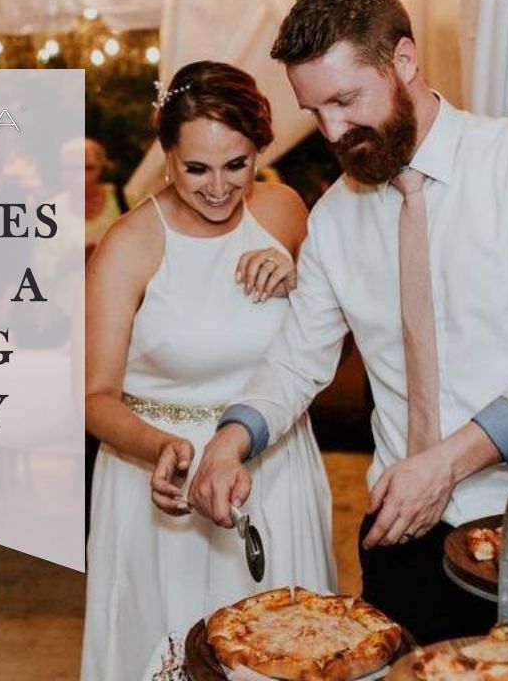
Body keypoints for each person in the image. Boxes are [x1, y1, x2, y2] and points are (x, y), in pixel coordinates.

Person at [158, 0, 508, 644]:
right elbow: (294, 363)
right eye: (314, 111)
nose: (333, 131)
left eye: (345, 100)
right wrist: (228, 445)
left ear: (403, 60)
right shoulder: (335, 217)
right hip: (400, 532)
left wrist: (448, 463)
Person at [82, 60, 336, 680]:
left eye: (236, 164)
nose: (219, 187)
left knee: (292, 650)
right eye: (197, 168)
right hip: (164, 477)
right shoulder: (129, 243)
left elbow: (334, 341)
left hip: (274, 468)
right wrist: (162, 448)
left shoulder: (284, 213)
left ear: (259, 152)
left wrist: (302, 285)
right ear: (167, 156)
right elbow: (93, 396)